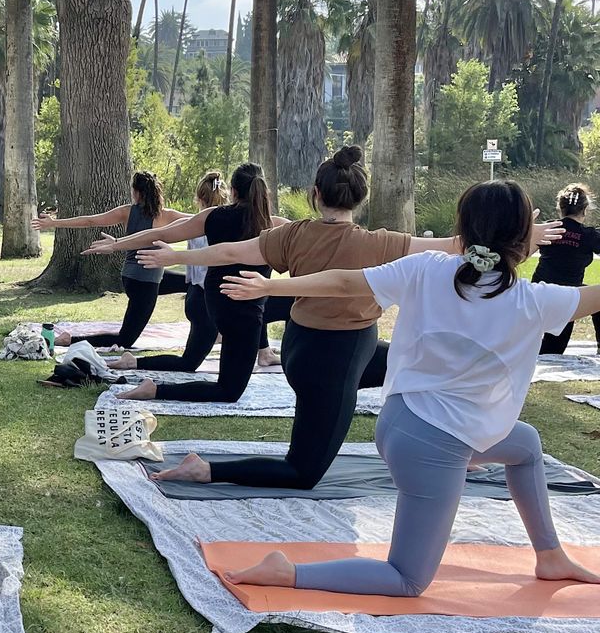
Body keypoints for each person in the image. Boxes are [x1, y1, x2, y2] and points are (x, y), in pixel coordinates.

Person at [217, 180, 600, 595]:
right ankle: (287, 572)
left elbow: (346, 282)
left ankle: (550, 555)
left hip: (400, 424)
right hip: (434, 447)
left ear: (464, 228)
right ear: (525, 236)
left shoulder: (428, 268)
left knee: (525, 446)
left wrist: (271, 286)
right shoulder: (534, 300)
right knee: (407, 578)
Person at [142, 146, 561, 491]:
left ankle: (457, 450)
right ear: (360, 198)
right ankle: (206, 468)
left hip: (314, 349)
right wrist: (521, 236)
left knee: (424, 367)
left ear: (315, 194)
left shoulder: (295, 234)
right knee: (302, 472)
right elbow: (457, 244)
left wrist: (177, 256)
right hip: (332, 361)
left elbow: (231, 252)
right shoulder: (380, 243)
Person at [94, 162, 290, 404]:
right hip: (244, 309)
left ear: (234, 191)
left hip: (218, 303)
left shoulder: (213, 215)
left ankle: (271, 352)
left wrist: (116, 244)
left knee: (210, 364)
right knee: (229, 391)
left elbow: (161, 234)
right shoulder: (275, 224)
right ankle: (154, 390)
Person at [34, 173, 189, 351]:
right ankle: (70, 339)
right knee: (125, 340)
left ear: (137, 192)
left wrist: (54, 223)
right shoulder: (167, 215)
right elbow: (201, 219)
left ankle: (211, 333)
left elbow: (90, 221)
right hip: (144, 282)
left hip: (134, 278)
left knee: (192, 283)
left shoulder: (127, 211)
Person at [531, 182, 600, 354]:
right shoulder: (588, 235)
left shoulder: (548, 228)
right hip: (566, 298)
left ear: (560, 209)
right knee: (552, 351)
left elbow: (522, 253)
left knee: (548, 350)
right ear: (584, 210)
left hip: (538, 292)